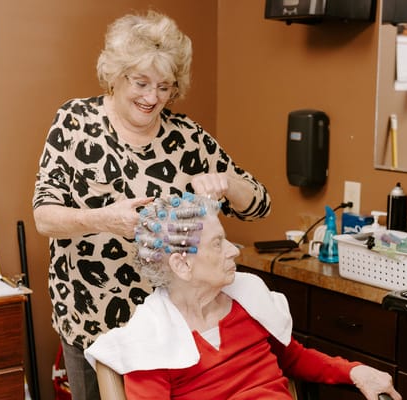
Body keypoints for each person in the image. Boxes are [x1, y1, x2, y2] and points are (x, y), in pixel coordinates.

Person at [32, 10, 271, 400]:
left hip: (168, 331)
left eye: (164, 86)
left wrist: (227, 183)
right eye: (141, 82)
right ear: (115, 75)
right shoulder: (74, 123)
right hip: (90, 322)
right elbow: (45, 216)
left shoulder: (187, 138)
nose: (151, 97)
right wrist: (104, 219)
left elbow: (259, 205)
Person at [84, 193, 402, 400]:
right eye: (218, 244)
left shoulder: (249, 300)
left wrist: (354, 371)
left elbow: (293, 358)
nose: (234, 251)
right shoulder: (151, 341)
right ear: (181, 264)